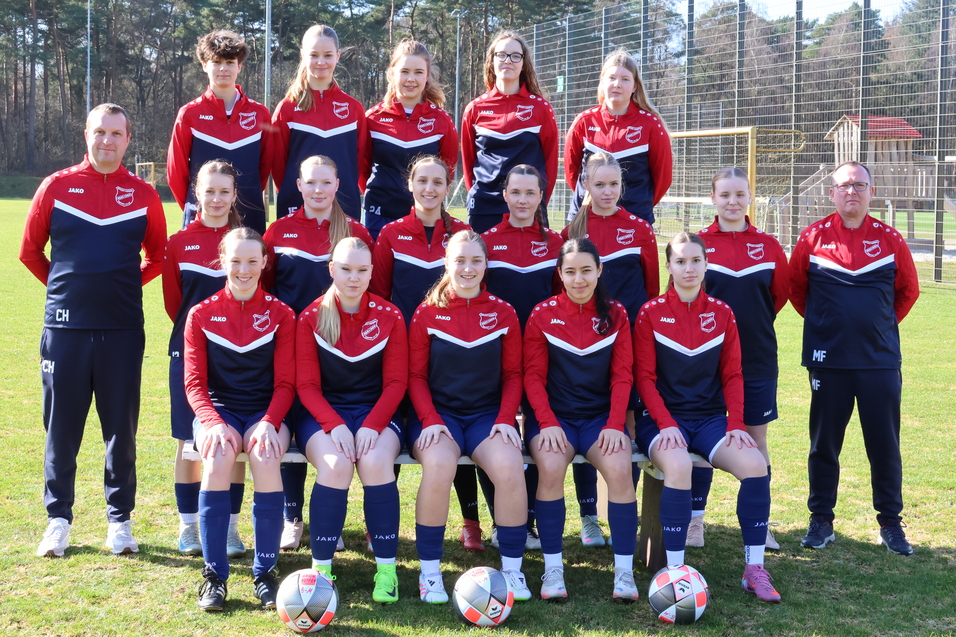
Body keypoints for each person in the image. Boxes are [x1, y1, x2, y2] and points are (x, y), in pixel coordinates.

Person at [22, 103, 166, 558]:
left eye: (117, 133)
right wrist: (67, 291)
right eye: (100, 131)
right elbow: (30, 252)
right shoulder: (57, 186)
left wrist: (120, 289)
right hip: (64, 329)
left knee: (120, 430)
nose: (107, 140)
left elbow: (158, 257)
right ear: (86, 134)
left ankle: (119, 521)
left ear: (128, 140)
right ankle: (58, 520)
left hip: (122, 329)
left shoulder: (144, 194)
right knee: (60, 428)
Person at [633, 232, 780, 603]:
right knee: (679, 466)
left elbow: (733, 375)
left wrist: (735, 425)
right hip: (662, 420)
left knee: (754, 465)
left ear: (705, 265)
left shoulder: (721, 313)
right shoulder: (650, 313)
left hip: (712, 420)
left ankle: (754, 569)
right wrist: (666, 423)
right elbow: (645, 379)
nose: (688, 268)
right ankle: (676, 571)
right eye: (680, 261)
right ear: (668, 266)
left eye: (695, 261)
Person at [790, 161, 919, 555]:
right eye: (844, 186)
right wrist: (829, 327)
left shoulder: (890, 239)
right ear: (831, 193)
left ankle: (891, 524)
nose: (852, 192)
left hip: (878, 361)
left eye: (859, 186)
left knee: (884, 445)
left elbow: (908, 292)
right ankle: (821, 520)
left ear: (871, 192)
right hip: (828, 362)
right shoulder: (812, 238)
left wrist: (875, 326)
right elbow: (795, 289)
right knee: (824, 445)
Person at [407, 230, 530, 603]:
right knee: (440, 466)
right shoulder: (426, 312)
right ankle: (429, 573)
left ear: (486, 264)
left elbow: (513, 375)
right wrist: (429, 418)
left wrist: (506, 418)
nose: (468, 268)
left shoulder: (504, 312)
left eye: (476, 260)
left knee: (510, 469)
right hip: (437, 416)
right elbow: (415, 377)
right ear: (446, 263)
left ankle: (512, 569)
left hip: (486, 416)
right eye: (460, 260)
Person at [369, 155, 482, 551]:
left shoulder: (465, 233)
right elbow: (380, 296)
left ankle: (471, 521)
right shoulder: (391, 234)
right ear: (410, 185)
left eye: (438, 182)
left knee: (457, 430)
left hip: (454, 351)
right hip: (402, 349)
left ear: (448, 186)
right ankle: (377, 524)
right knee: (396, 433)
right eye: (423, 181)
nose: (430, 189)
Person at [262, 154, 374, 551]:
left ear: (338, 183)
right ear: (298, 185)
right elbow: (269, 289)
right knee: (293, 426)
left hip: (341, 350)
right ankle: (293, 517)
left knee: (335, 435)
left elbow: (371, 291)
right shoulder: (277, 232)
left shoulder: (355, 232)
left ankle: (334, 520)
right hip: (291, 346)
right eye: (311, 182)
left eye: (326, 182)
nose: (318, 190)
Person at [185, 227, 296, 611]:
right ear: (222, 262)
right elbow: (195, 383)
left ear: (265, 263)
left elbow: (286, 383)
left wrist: (269, 421)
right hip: (220, 410)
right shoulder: (201, 314)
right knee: (216, 459)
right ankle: (214, 576)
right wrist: (212, 422)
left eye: (252, 261)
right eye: (236, 261)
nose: (244, 269)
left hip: (267, 410)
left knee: (265, 456)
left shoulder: (281, 314)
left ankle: (265, 573)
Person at [523, 239, 639, 602]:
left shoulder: (617, 314)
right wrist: (547, 421)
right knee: (552, 466)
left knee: (620, 469)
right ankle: (553, 568)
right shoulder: (542, 314)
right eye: (570, 271)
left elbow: (623, 375)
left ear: (599, 271)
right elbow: (532, 377)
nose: (578, 279)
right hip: (553, 419)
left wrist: (614, 424)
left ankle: (624, 573)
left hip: (599, 420)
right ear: (559, 273)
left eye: (586, 270)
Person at [296, 238, 408, 603]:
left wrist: (372, 425)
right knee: (335, 464)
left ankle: (387, 571)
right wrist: (336, 425)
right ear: (332, 269)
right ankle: (321, 571)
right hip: (324, 414)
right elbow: (307, 386)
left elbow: (396, 383)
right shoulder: (311, 317)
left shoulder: (390, 316)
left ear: (372, 272)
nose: (354, 277)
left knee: (376, 463)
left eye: (362, 270)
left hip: (376, 412)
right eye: (345, 269)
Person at [687, 167, 789, 550]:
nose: (732, 202)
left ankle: (759, 523)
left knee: (756, 439)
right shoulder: (698, 245)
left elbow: (776, 298)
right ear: (713, 199)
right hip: (703, 360)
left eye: (740, 195)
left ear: (750, 199)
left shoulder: (769, 245)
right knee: (701, 440)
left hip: (757, 358)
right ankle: (696, 520)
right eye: (724, 195)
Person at [562, 150, 659, 544]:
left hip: (628, 341)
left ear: (623, 186)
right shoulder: (573, 230)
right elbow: (565, 289)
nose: (606, 191)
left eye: (613, 184)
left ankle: (624, 506)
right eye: (598, 184)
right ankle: (589, 516)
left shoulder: (640, 229)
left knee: (627, 425)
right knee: (586, 418)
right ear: (585, 184)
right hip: (583, 346)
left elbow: (651, 290)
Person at [163, 161, 248, 558]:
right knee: (190, 445)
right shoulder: (178, 242)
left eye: (224, 192)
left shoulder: (247, 241)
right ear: (196, 193)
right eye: (208, 191)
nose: (216, 199)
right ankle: (189, 528)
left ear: (234, 196)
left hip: (240, 357)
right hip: (189, 356)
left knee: (233, 443)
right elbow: (173, 305)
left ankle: (230, 529)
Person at [479, 164, 564, 550]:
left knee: (532, 434)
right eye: (516, 192)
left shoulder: (556, 243)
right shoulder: (487, 242)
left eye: (531, 193)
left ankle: (526, 519)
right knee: (497, 433)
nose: (523, 200)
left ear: (541, 197)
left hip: (545, 355)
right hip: (494, 354)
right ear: (505, 195)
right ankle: (500, 521)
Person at [166, 30, 273, 234]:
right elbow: (175, 173)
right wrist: (198, 205)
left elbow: (263, 170)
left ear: (239, 66)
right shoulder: (189, 114)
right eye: (216, 61)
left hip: (249, 217)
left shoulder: (260, 114)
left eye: (230, 62)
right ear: (205, 65)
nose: (223, 68)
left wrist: (245, 198)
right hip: (202, 217)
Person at [461, 30, 558, 233]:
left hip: (528, 208)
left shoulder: (541, 108)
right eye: (502, 55)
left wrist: (536, 201)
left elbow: (550, 162)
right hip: (484, 208)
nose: (508, 61)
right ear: (492, 61)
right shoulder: (474, 109)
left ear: (523, 63)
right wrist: (478, 196)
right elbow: (469, 163)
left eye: (516, 56)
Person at [361, 40, 457, 239]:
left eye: (418, 72)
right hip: (378, 217)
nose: (411, 79)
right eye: (404, 71)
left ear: (428, 76)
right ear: (392, 73)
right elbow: (362, 170)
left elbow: (448, 172)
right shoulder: (372, 118)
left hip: (424, 218)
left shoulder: (442, 121)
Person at [564, 49, 672, 226]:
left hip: (635, 217)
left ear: (635, 86)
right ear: (602, 82)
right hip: (587, 216)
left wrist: (638, 203)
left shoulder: (651, 124)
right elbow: (572, 172)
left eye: (625, 79)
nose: (617, 84)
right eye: (612, 78)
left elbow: (663, 178)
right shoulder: (583, 121)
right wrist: (595, 198)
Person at [273, 25, 366, 220]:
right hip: (297, 208)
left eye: (328, 55)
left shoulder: (354, 109)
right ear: (303, 55)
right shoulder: (287, 108)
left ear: (338, 56)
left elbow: (357, 163)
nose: (321, 62)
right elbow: (278, 166)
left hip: (344, 207)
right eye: (314, 55)